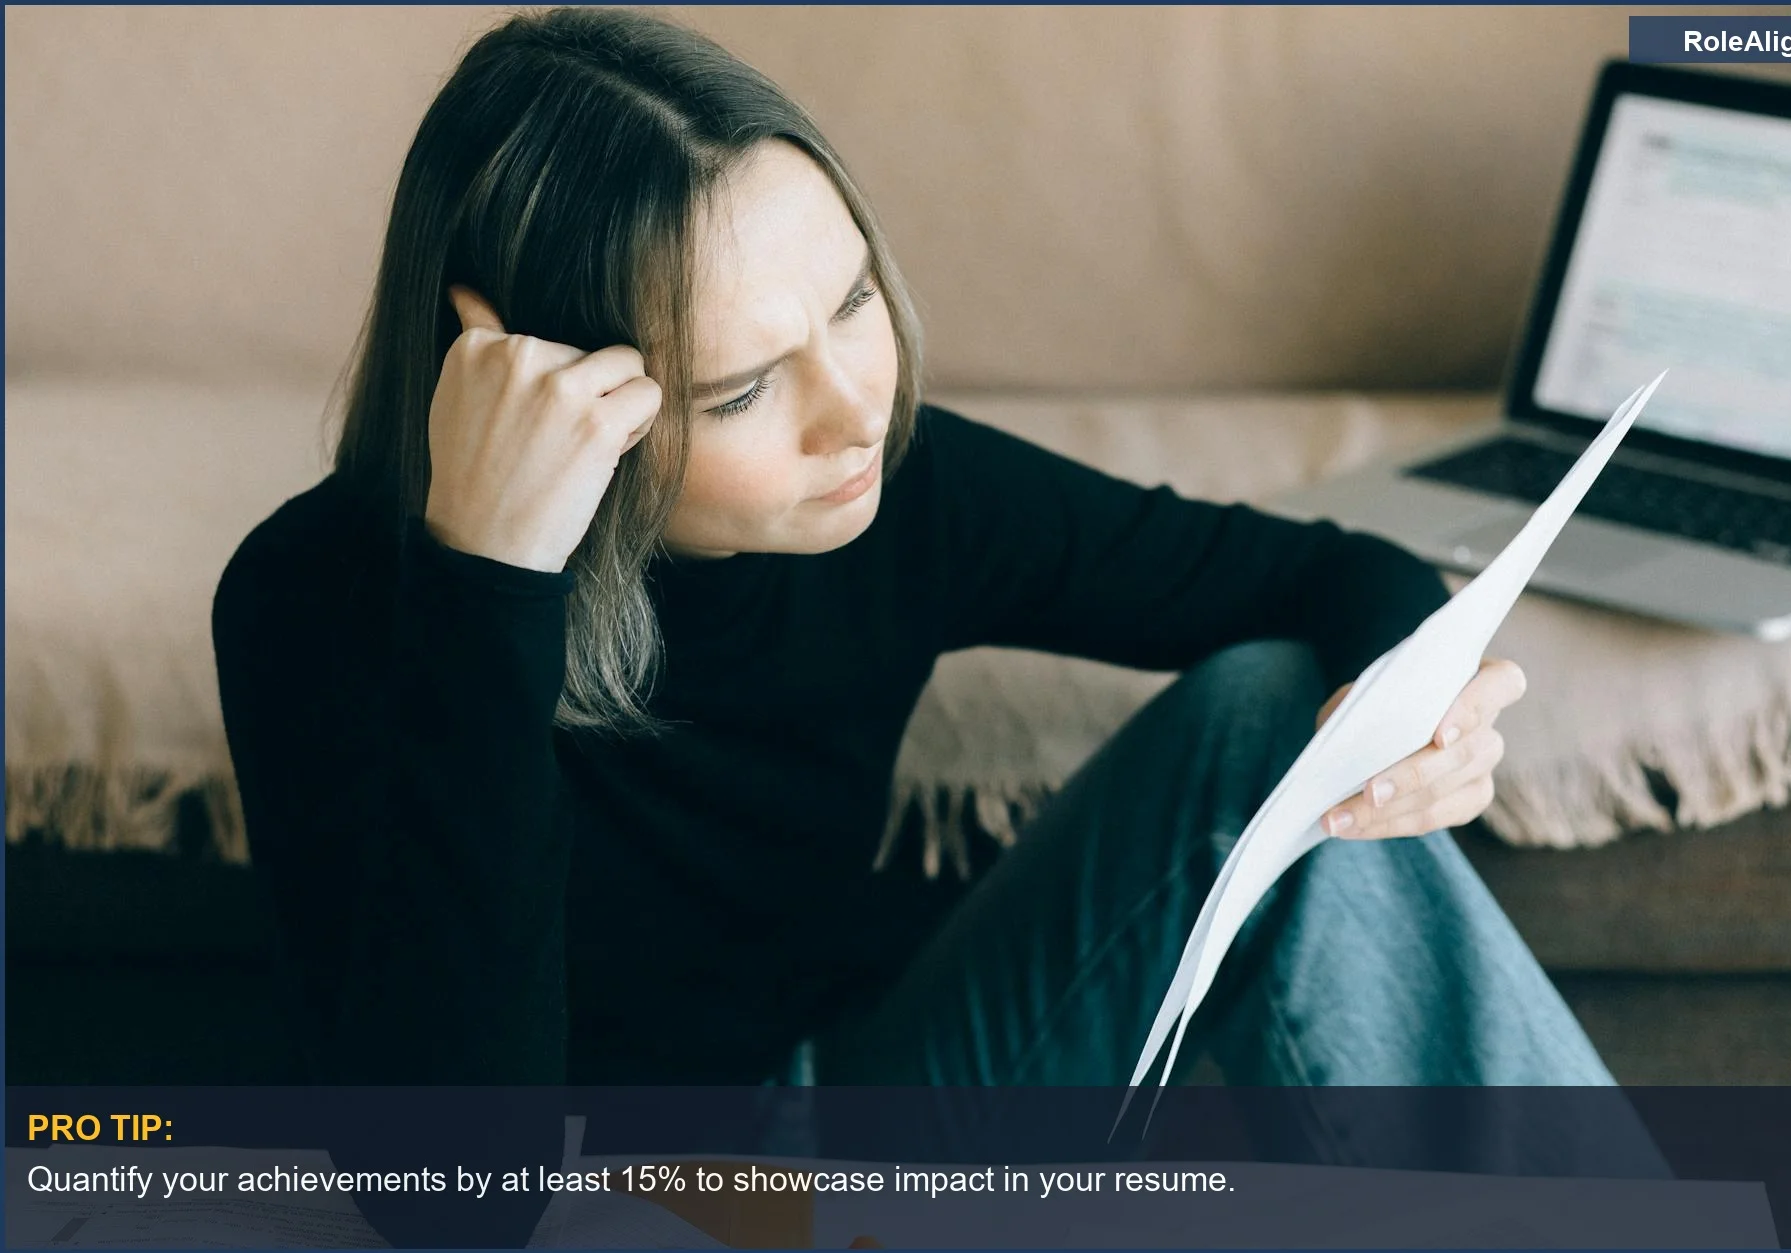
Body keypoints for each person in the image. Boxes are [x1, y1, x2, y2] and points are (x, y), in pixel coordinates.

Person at [212, 7, 1625, 1114]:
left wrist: (1431, 708)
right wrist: (493, 592)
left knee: (1262, 711)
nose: (855, 409)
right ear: (527, 381)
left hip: (837, 1118)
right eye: (742, 388)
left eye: (853, 301)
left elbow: (1320, 575)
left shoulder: (897, 483)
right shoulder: (313, 605)